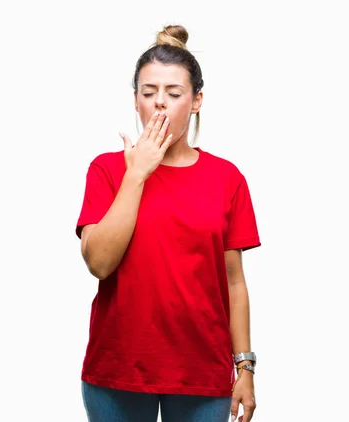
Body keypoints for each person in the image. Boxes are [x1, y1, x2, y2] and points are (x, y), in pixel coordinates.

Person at [75, 24, 260, 422]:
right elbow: (99, 263)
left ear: (196, 101)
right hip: (117, 371)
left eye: (174, 94)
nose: (160, 103)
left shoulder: (227, 178)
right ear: (136, 101)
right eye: (148, 92)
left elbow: (233, 281)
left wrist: (244, 367)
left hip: (202, 374)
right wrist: (137, 174)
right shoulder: (107, 170)